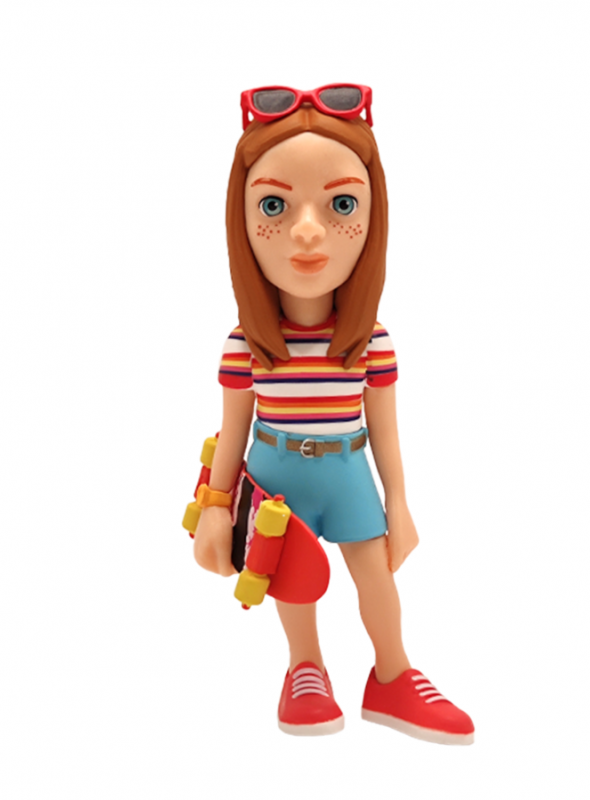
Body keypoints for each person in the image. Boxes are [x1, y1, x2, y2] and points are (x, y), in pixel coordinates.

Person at [192, 85, 474, 745]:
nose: (308, 230)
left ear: (373, 219)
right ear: (242, 223)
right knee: (292, 582)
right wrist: (215, 506)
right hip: (275, 477)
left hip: (349, 474)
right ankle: (306, 668)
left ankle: (393, 675)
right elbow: (233, 433)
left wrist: (398, 501)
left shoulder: (370, 342)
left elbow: (386, 432)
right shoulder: (246, 345)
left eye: (341, 204)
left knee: (376, 581)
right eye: (274, 206)